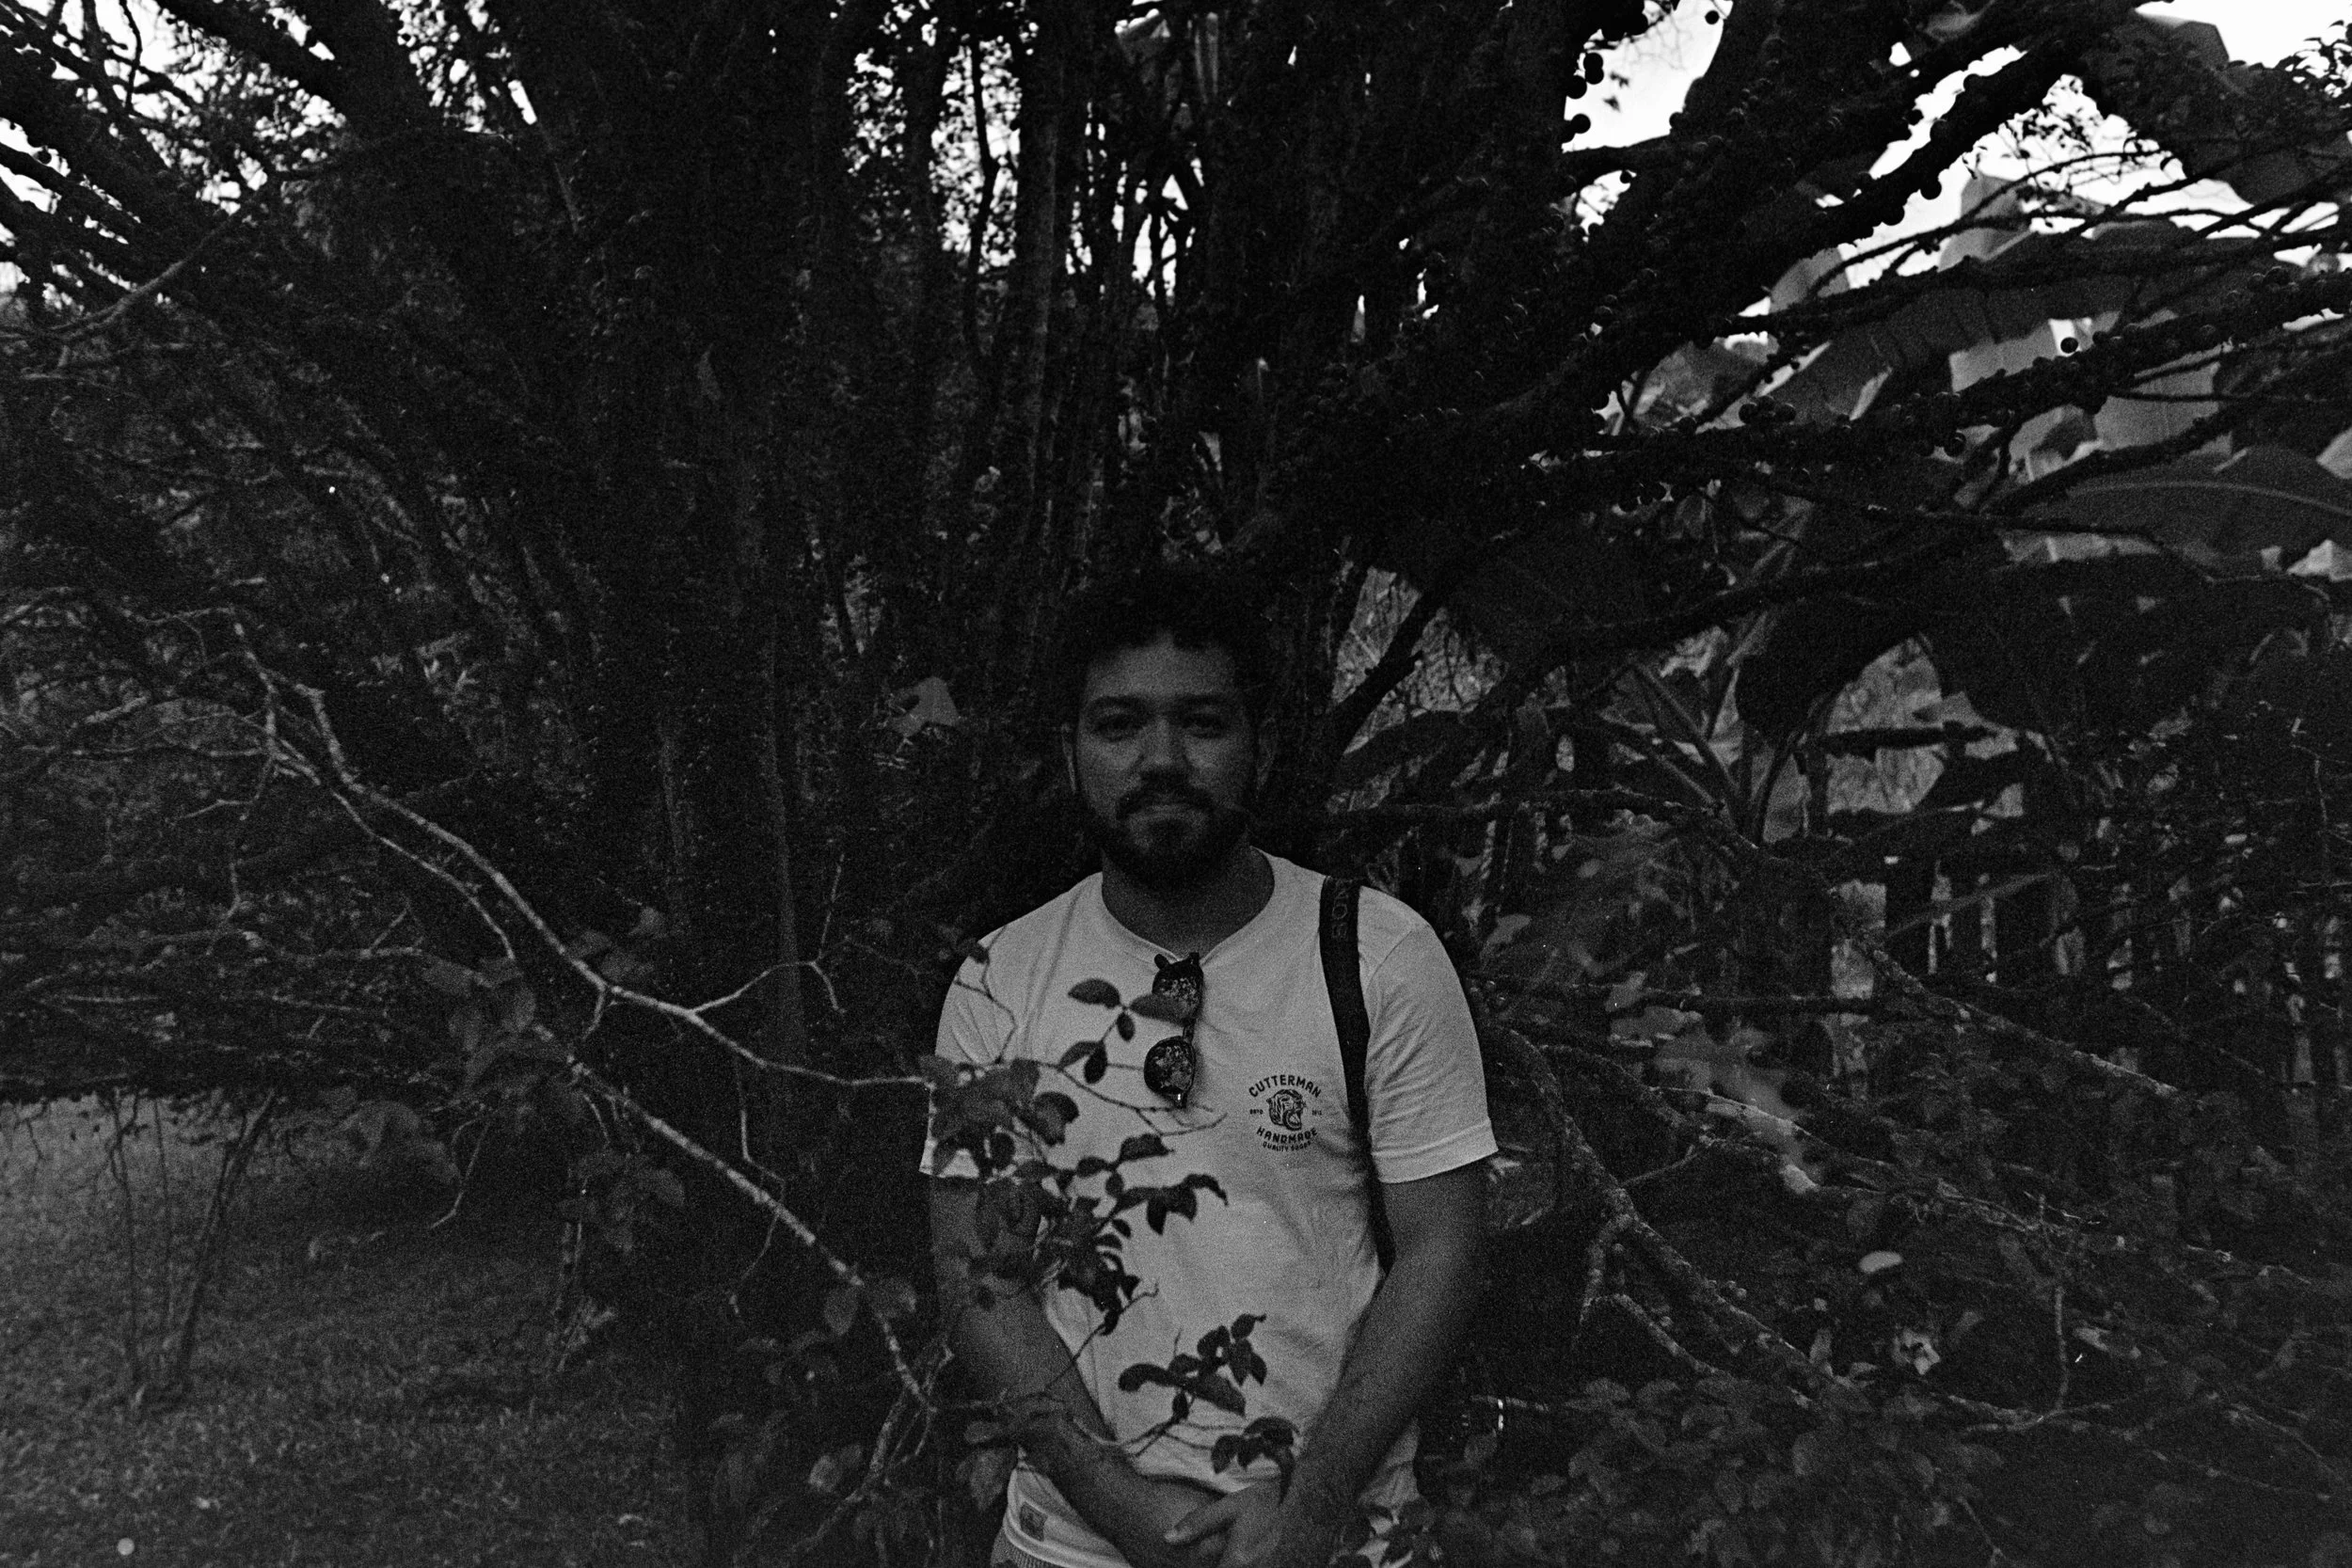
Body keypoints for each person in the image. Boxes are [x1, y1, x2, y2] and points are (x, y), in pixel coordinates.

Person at [924, 564, 1495, 1568]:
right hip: (1074, 1547)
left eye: (1202, 721)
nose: (1162, 759)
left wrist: (1311, 1506)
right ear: (1070, 753)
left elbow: (1441, 1250)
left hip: (1337, 1542)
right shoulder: (1000, 979)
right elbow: (982, 1276)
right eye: (1118, 725)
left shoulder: (1380, 958)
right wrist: (1130, 1513)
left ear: (1259, 745)